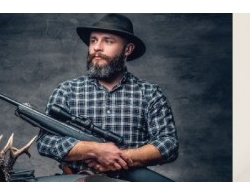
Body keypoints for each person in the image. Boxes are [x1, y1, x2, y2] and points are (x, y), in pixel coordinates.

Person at [36, 15, 179, 173]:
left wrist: (119, 158)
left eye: (108, 41)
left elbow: (169, 144)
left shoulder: (150, 94)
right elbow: (45, 142)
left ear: (128, 49)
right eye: (93, 40)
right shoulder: (66, 90)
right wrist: (94, 150)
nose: (97, 47)